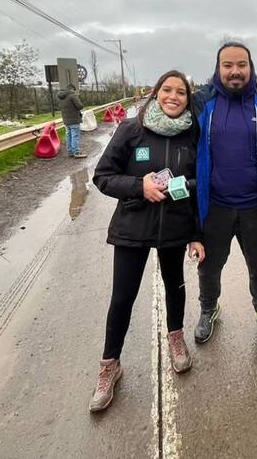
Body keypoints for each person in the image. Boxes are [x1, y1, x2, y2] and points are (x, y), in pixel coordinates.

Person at [89, 70, 204, 412]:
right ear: (155, 94)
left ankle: (176, 337)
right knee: (122, 297)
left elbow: (202, 184)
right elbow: (102, 177)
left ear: (188, 98)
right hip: (132, 227)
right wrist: (141, 187)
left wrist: (196, 231)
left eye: (180, 92)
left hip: (175, 228)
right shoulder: (131, 130)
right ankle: (110, 365)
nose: (173, 96)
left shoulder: (192, 135)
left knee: (176, 286)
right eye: (166, 90)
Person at [191, 42, 257, 355]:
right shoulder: (202, 102)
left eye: (241, 64)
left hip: (255, 206)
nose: (235, 71)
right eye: (228, 65)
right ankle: (208, 309)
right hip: (214, 207)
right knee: (209, 268)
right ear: (218, 68)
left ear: (251, 67)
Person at [58, 83, 86, 158]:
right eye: (74, 90)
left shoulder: (61, 97)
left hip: (66, 120)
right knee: (75, 136)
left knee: (68, 135)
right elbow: (79, 106)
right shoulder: (72, 95)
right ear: (72, 89)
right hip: (74, 119)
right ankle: (76, 152)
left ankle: (70, 152)